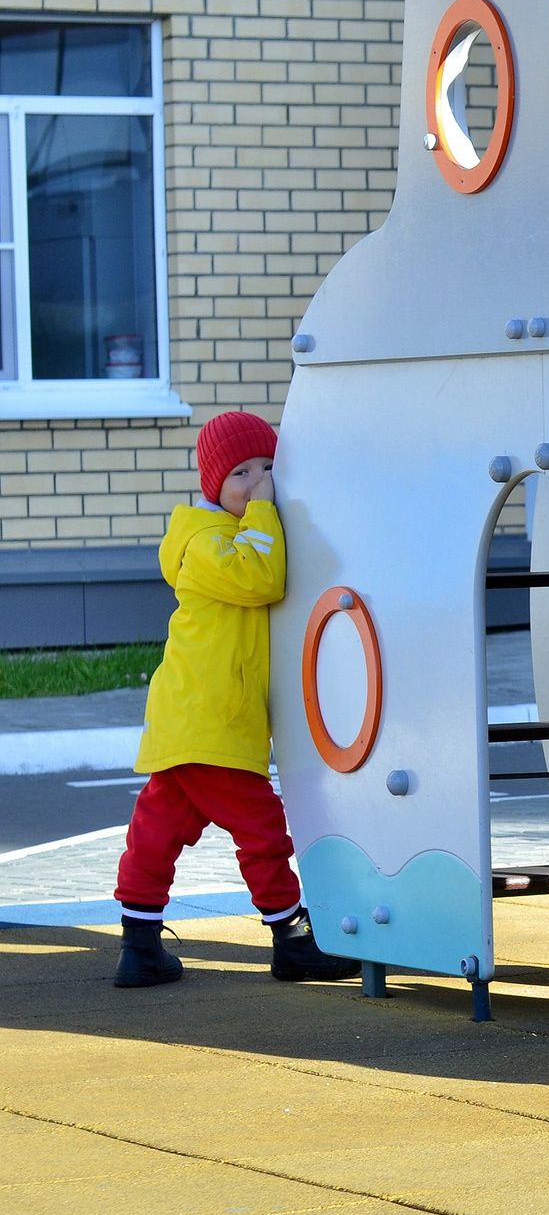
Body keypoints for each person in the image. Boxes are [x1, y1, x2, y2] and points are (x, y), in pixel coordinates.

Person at [112, 411, 359, 989]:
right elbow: (261, 578)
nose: (258, 482)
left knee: (155, 832)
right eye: (242, 473)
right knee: (263, 830)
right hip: (209, 719)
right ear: (211, 485)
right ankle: (290, 938)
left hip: (191, 720)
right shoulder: (207, 543)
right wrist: (268, 508)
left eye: (269, 467)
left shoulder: (227, 533)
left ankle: (138, 942)